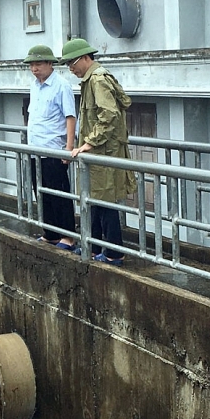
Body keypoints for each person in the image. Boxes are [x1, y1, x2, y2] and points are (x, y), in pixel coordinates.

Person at [61, 38, 135, 266]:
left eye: (73, 64)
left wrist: (90, 142)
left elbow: (109, 114)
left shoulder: (98, 80)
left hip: (105, 152)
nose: (71, 69)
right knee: (94, 199)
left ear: (85, 58)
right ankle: (92, 247)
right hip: (100, 153)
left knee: (105, 201)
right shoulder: (90, 80)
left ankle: (114, 252)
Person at [24, 44, 78, 250]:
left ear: (49, 64)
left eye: (38, 64)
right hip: (35, 148)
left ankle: (68, 236)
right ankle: (51, 232)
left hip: (54, 149)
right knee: (41, 191)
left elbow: (70, 116)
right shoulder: (34, 86)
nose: (34, 68)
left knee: (59, 194)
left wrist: (69, 146)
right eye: (31, 65)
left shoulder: (61, 85)